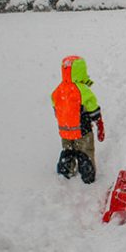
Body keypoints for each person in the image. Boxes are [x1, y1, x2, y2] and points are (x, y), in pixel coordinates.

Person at [51, 55, 104, 183]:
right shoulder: (82, 90)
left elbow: (55, 106)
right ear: (81, 71)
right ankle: (87, 175)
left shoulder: (58, 90)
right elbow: (93, 109)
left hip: (65, 130)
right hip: (82, 130)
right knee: (85, 151)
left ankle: (66, 170)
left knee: (68, 150)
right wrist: (99, 122)